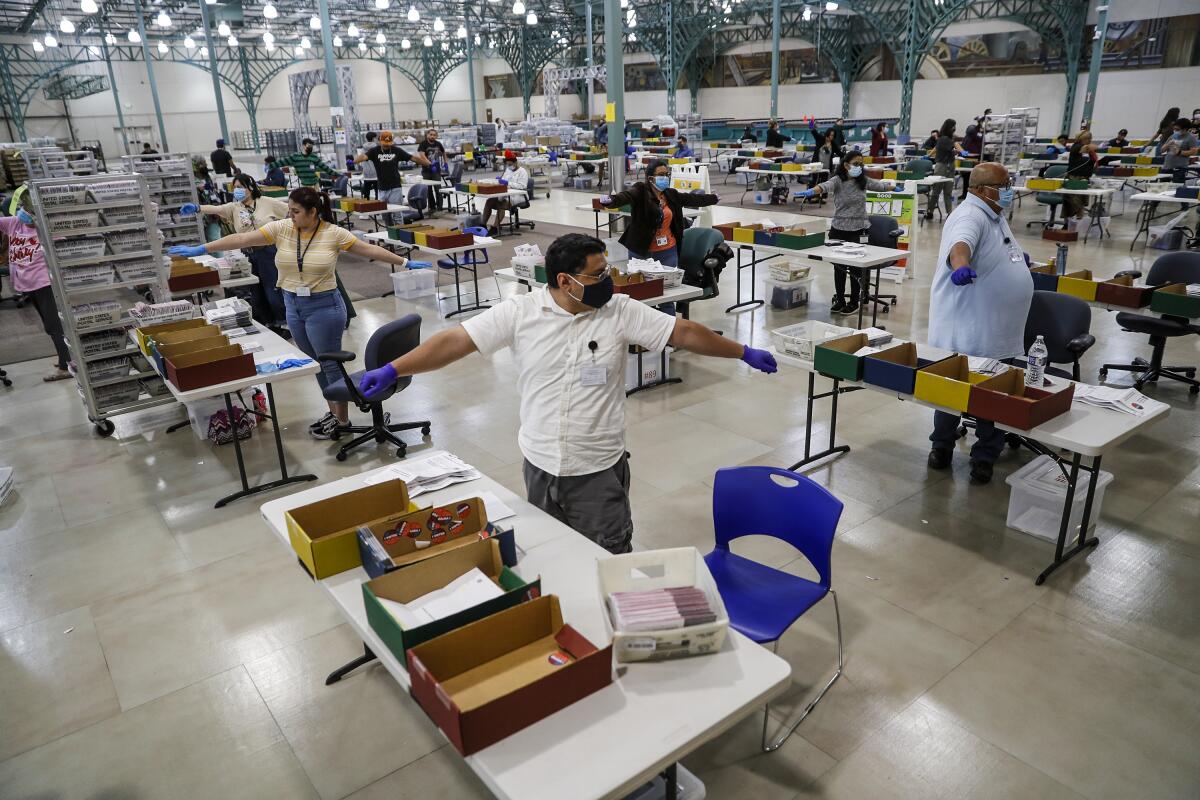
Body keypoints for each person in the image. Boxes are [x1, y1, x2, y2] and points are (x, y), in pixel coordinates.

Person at [355, 232, 778, 553]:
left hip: (596, 466)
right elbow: (455, 341)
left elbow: (683, 331)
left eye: (608, 271)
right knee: (554, 551)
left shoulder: (620, 311)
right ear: (565, 281)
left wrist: (742, 351)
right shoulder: (521, 311)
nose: (608, 281)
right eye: (598, 275)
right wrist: (395, 367)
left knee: (607, 553)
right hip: (539, 462)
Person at [167, 187, 418, 439]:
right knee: (315, 364)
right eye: (289, 209)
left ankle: (341, 422)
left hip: (324, 307)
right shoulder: (282, 228)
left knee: (329, 363)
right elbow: (242, 239)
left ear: (313, 212)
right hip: (293, 305)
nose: (290, 215)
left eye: (296, 211)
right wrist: (202, 248)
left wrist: (405, 262)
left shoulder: (333, 234)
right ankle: (333, 413)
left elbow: (368, 250)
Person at [927, 163, 1031, 485]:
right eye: (1005, 184)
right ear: (984, 189)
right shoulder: (970, 215)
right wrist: (960, 266)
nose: (1010, 188)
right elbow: (961, 246)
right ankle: (944, 448)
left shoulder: (994, 214)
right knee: (961, 392)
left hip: (994, 330)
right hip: (971, 331)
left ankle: (985, 454)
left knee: (991, 394)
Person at [181, 174, 289, 334]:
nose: (237, 190)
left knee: (272, 290)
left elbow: (289, 212)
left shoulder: (267, 202)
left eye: (240, 187)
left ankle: (284, 324)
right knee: (256, 291)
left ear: (251, 187)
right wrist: (198, 208)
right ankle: (269, 322)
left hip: (268, 252)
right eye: (235, 187)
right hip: (249, 255)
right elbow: (217, 209)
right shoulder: (234, 208)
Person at [796, 151, 894, 316]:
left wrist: (894, 186)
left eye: (861, 164)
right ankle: (840, 300)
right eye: (856, 163)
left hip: (859, 229)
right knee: (839, 268)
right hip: (839, 229)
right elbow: (824, 186)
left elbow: (881, 186)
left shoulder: (863, 181)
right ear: (846, 164)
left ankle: (854, 301)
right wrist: (811, 192)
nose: (859, 167)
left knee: (856, 269)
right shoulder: (838, 181)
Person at [0, 186, 71, 381]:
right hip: (26, 284)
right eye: (24, 209)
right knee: (49, 326)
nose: (26, 215)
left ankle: (66, 366)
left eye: (31, 212)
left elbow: (63, 253)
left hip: (44, 284)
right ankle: (64, 356)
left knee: (54, 325)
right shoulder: (14, 223)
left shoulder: (49, 231)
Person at [600, 159, 719, 272]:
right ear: (651, 178)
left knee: (670, 285)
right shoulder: (640, 190)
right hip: (642, 250)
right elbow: (626, 196)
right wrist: (611, 201)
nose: (665, 177)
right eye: (661, 174)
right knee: (644, 287)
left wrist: (713, 198)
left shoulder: (670, 193)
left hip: (668, 250)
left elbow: (691, 199)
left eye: (667, 174)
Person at [353, 130, 430, 224]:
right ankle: (389, 233)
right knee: (384, 214)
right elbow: (364, 157)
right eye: (384, 143)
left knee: (397, 214)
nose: (386, 145)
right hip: (382, 188)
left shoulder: (396, 150)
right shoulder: (374, 151)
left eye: (388, 143)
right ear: (380, 141)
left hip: (395, 187)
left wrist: (426, 163)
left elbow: (412, 158)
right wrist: (354, 161)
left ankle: (399, 235)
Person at [481, 151, 529, 235]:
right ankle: (483, 224)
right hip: (505, 193)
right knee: (489, 201)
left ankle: (495, 228)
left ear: (515, 162)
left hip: (518, 195)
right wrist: (499, 180)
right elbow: (503, 180)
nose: (509, 166)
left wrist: (508, 183)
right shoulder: (508, 170)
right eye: (508, 164)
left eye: (510, 164)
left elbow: (522, 186)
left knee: (502, 204)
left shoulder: (522, 172)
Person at [269, 138, 341, 188]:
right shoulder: (295, 157)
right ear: (303, 146)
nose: (310, 148)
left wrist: (337, 174)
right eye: (309, 146)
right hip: (305, 185)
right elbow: (282, 162)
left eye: (311, 146)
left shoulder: (314, 157)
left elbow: (325, 168)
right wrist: (269, 165)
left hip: (315, 184)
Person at [926, 118, 960, 220]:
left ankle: (949, 213)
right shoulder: (945, 139)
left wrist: (929, 155)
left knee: (947, 191)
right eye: (953, 126)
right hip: (942, 166)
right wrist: (961, 151)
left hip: (950, 165)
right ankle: (930, 211)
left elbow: (936, 148)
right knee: (937, 190)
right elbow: (955, 146)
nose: (954, 128)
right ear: (949, 127)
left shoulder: (945, 138)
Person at [1064, 129, 1097, 219]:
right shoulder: (1077, 147)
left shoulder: (1085, 148)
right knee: (1074, 202)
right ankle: (1070, 222)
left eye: (1090, 138)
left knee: (1081, 202)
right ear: (1080, 139)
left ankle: (1077, 222)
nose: (1089, 141)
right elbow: (1090, 148)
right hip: (1075, 177)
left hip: (1084, 177)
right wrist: (1089, 147)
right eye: (1087, 139)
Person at [359, 131, 379, 199]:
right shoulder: (378, 148)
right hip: (376, 173)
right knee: (378, 194)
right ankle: (378, 207)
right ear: (373, 138)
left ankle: (366, 207)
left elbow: (360, 160)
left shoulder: (363, 149)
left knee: (366, 194)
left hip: (366, 174)